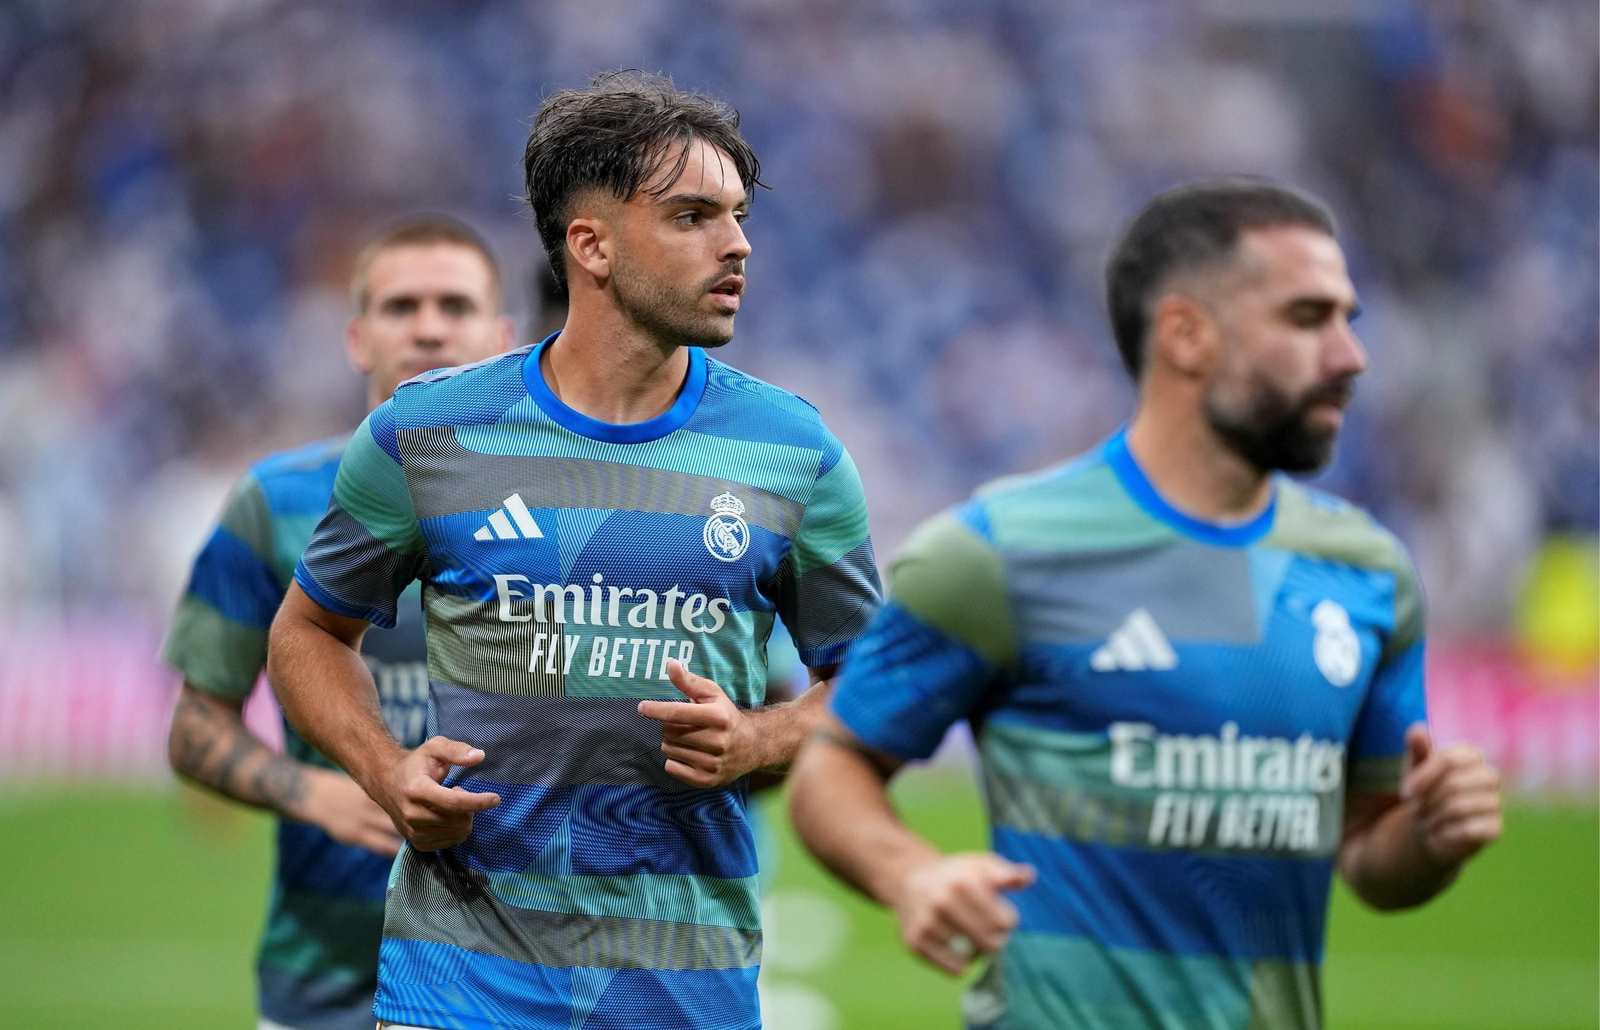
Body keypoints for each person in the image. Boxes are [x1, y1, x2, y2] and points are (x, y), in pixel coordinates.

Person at [789, 181, 1503, 1029]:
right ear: (1187, 334)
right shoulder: (997, 551)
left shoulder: (1367, 572)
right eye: (1308, 318)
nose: (1351, 355)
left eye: (1349, 318)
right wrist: (910, 873)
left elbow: (1372, 855)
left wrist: (1428, 840)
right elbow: (832, 770)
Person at [267, 70, 882, 1030]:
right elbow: (307, 633)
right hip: (458, 989)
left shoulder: (792, 452)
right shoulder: (427, 435)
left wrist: (761, 737)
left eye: (736, 215)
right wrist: (386, 772)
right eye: (692, 217)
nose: (738, 244)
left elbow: (878, 680)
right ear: (589, 246)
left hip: (684, 995)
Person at [163, 216, 516, 1030]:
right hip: (325, 978)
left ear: (502, 338)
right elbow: (194, 725)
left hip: (511, 973)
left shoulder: (572, 507)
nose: (428, 326)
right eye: (401, 307)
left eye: (455, 306)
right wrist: (315, 790)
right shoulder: (276, 502)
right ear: (358, 338)